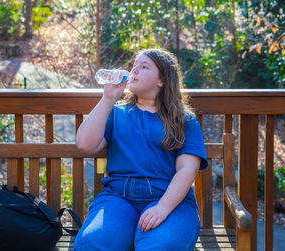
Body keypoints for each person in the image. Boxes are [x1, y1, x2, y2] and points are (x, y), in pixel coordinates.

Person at [74, 48, 208, 251]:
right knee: (92, 244)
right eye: (134, 66)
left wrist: (163, 208)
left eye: (144, 67)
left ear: (161, 81)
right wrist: (108, 99)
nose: (134, 71)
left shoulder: (183, 120)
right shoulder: (116, 112)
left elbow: (187, 170)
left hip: (168, 198)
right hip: (118, 198)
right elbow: (85, 145)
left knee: (162, 246)